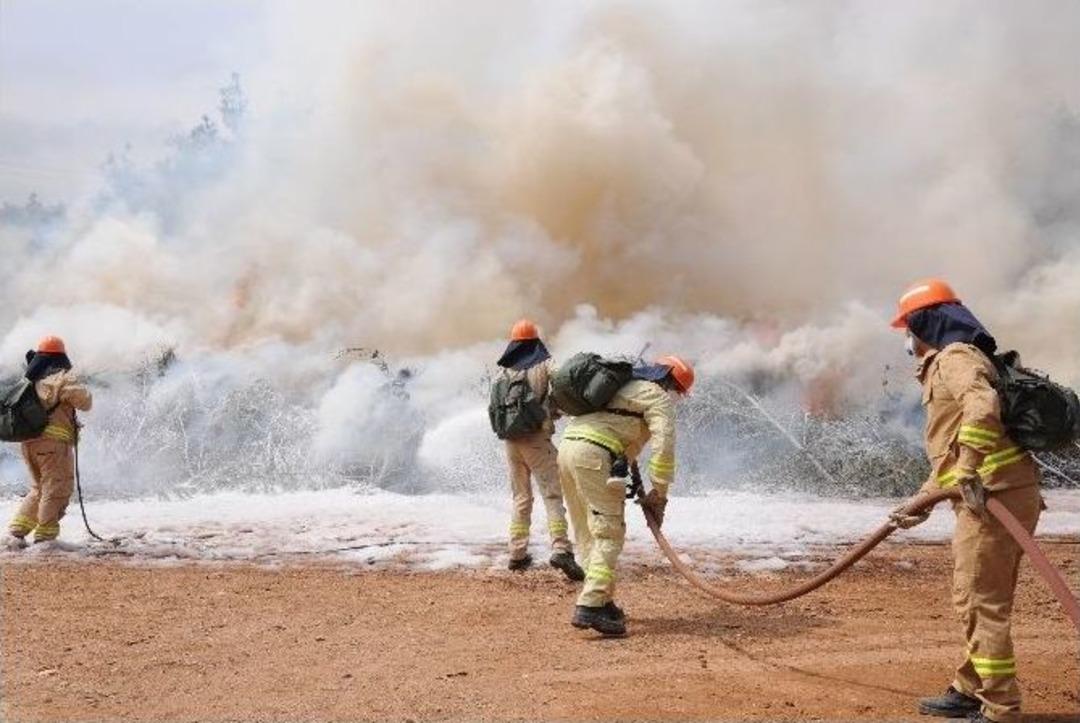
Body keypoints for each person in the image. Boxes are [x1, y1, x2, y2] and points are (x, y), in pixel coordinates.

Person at [891, 279, 1041, 723]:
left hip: (993, 495)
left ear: (924, 323)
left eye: (908, 327)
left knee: (979, 602)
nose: (907, 339)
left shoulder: (954, 357)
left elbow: (981, 408)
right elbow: (951, 451)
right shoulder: (961, 355)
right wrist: (922, 501)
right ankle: (969, 686)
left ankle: (1000, 708)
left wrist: (972, 466)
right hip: (1001, 491)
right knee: (984, 596)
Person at [558, 355, 694, 636]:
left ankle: (603, 598)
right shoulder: (656, 397)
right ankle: (591, 605)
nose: (673, 396)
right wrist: (660, 493)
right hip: (594, 457)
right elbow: (664, 447)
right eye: (675, 390)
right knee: (608, 533)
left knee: (586, 530)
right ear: (669, 382)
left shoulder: (616, 386)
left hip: (567, 450)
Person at [495, 319, 584, 580]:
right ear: (536, 341)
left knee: (521, 498)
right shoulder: (544, 363)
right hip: (536, 440)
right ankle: (561, 549)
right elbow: (564, 381)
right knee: (553, 495)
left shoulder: (504, 370)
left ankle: (517, 553)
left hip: (511, 441)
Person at [6, 336, 93, 548]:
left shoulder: (30, 381)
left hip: (29, 444)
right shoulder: (61, 378)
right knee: (56, 488)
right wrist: (76, 380)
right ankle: (45, 538)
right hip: (53, 447)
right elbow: (86, 402)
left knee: (39, 488)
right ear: (60, 357)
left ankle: (16, 533)